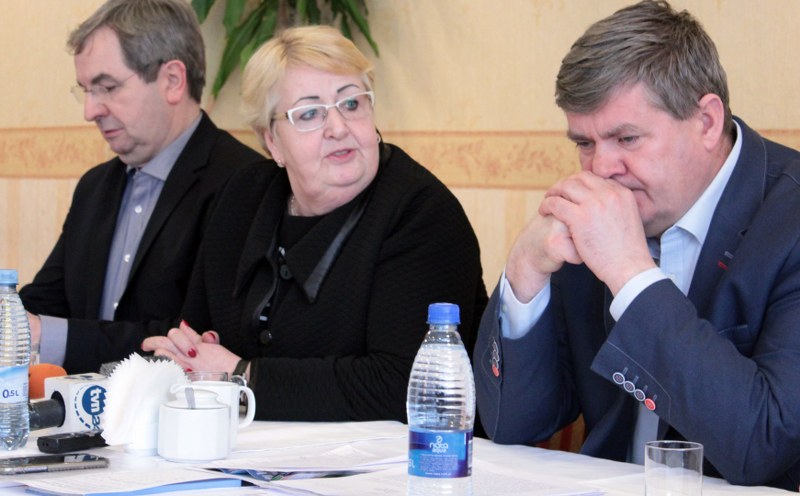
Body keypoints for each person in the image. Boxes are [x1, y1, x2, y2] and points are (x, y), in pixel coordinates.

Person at [473, 0, 800, 491]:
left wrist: (630, 274)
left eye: (626, 138)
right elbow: (512, 424)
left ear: (707, 122)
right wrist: (524, 271)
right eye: (584, 143)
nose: (602, 169)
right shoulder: (600, 214)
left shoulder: (790, 218)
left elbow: (764, 445)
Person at [141, 25, 488, 422]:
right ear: (272, 141)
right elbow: (196, 331)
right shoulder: (241, 198)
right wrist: (190, 350)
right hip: (252, 447)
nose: (338, 127)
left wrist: (240, 375)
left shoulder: (422, 213)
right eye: (309, 113)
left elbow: (402, 385)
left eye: (352, 103)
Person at [20, 0, 266, 374]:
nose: (90, 111)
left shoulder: (244, 182)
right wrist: (13, 321)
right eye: (86, 90)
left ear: (172, 80)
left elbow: (196, 340)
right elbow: (45, 303)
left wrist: (46, 335)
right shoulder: (94, 187)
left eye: (107, 87)